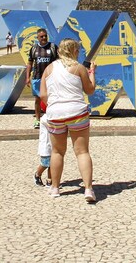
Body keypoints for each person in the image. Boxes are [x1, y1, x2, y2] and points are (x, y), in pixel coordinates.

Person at [39, 38, 97, 203]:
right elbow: (90, 90)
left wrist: (54, 104)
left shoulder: (49, 69)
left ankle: (55, 188)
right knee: (82, 152)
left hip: (55, 113)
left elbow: (43, 95)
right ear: (74, 51)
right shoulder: (78, 68)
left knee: (57, 152)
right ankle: (88, 189)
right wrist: (92, 73)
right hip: (76, 112)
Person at [26, 28, 59, 129]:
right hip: (37, 77)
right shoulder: (34, 48)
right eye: (41, 36)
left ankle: (51, 118)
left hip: (50, 78)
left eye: (45, 36)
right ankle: (37, 120)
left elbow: (58, 62)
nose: (44, 38)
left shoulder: (53, 47)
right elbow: (29, 63)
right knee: (37, 99)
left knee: (51, 98)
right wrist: (27, 77)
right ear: (37, 37)